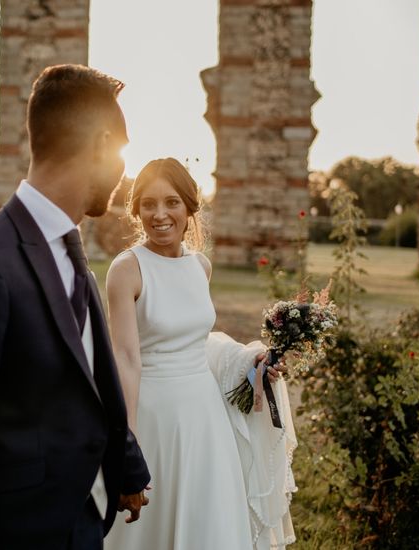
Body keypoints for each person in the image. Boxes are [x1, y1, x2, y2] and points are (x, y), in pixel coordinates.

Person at [0, 64, 149, 550]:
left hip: (84, 523)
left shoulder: (77, 259)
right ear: (100, 143)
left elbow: (94, 380)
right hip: (19, 532)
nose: (122, 171)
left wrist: (126, 466)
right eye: (122, 151)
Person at [104, 158, 297, 550]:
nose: (159, 215)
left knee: (208, 523)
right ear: (136, 209)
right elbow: (125, 358)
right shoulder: (126, 270)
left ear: (190, 207)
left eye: (172, 202)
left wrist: (248, 363)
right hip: (154, 420)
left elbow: (198, 341)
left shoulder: (201, 266)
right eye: (148, 204)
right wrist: (129, 444)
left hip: (206, 419)